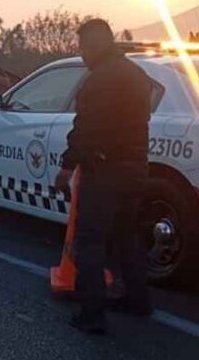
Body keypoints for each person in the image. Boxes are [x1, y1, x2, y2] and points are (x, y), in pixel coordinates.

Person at [54, 19, 153, 334]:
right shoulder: (137, 75)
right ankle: (138, 300)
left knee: (91, 241)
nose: (82, 55)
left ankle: (92, 313)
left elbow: (85, 130)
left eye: (84, 48)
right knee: (127, 237)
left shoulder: (98, 82)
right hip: (136, 168)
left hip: (105, 171)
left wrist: (67, 167)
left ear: (96, 46)